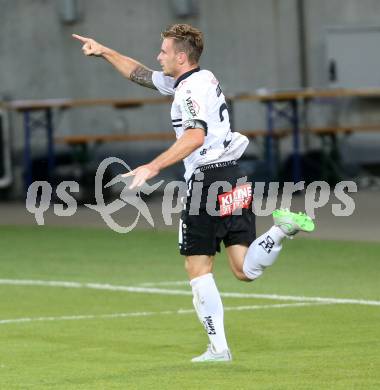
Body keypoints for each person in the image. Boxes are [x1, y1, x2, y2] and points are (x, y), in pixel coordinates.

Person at [72, 24, 315, 362]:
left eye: (164, 52)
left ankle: (218, 349)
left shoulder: (188, 93)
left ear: (181, 56)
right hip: (235, 176)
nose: (158, 57)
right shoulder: (201, 78)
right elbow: (141, 75)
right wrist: (104, 51)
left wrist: (151, 167)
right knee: (244, 268)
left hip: (206, 181)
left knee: (197, 267)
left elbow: (194, 136)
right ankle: (281, 229)